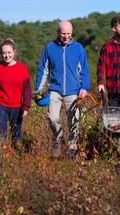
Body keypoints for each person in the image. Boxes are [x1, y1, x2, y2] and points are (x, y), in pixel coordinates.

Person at [35, 20, 90, 159]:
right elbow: (43, 69)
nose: (66, 36)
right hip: (54, 90)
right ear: (57, 32)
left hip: (73, 91)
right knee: (52, 118)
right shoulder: (49, 48)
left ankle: (72, 149)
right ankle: (58, 138)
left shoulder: (78, 48)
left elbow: (84, 70)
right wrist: (39, 89)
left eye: (69, 34)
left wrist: (84, 87)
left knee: (73, 121)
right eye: (63, 33)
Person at [0, 38, 32, 148]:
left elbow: (27, 90)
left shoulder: (22, 69)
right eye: (4, 53)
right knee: (1, 132)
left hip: (16, 106)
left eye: (9, 53)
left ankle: (17, 158)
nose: (7, 56)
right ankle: (0, 159)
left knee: (17, 135)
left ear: (14, 52)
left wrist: (25, 107)